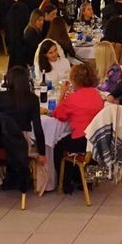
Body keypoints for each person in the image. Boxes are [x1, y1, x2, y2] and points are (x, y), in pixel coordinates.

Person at [48, 62, 105, 194]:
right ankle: (88, 178)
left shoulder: (73, 99)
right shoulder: (96, 94)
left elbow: (57, 114)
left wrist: (62, 94)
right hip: (97, 139)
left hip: (82, 141)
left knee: (58, 145)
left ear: (74, 80)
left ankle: (65, 182)